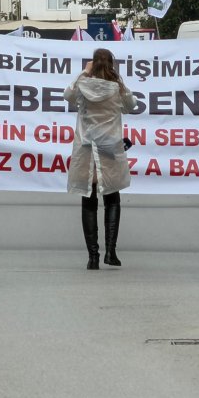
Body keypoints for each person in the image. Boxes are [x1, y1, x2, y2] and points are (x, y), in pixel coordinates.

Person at [65, 48, 138, 270]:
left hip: (86, 150)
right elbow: (131, 105)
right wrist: (120, 83)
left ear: (92, 64)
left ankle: (93, 257)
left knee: (88, 199)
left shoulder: (83, 85)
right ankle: (111, 252)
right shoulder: (117, 88)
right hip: (110, 149)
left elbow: (67, 96)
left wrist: (83, 73)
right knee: (112, 198)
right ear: (111, 65)